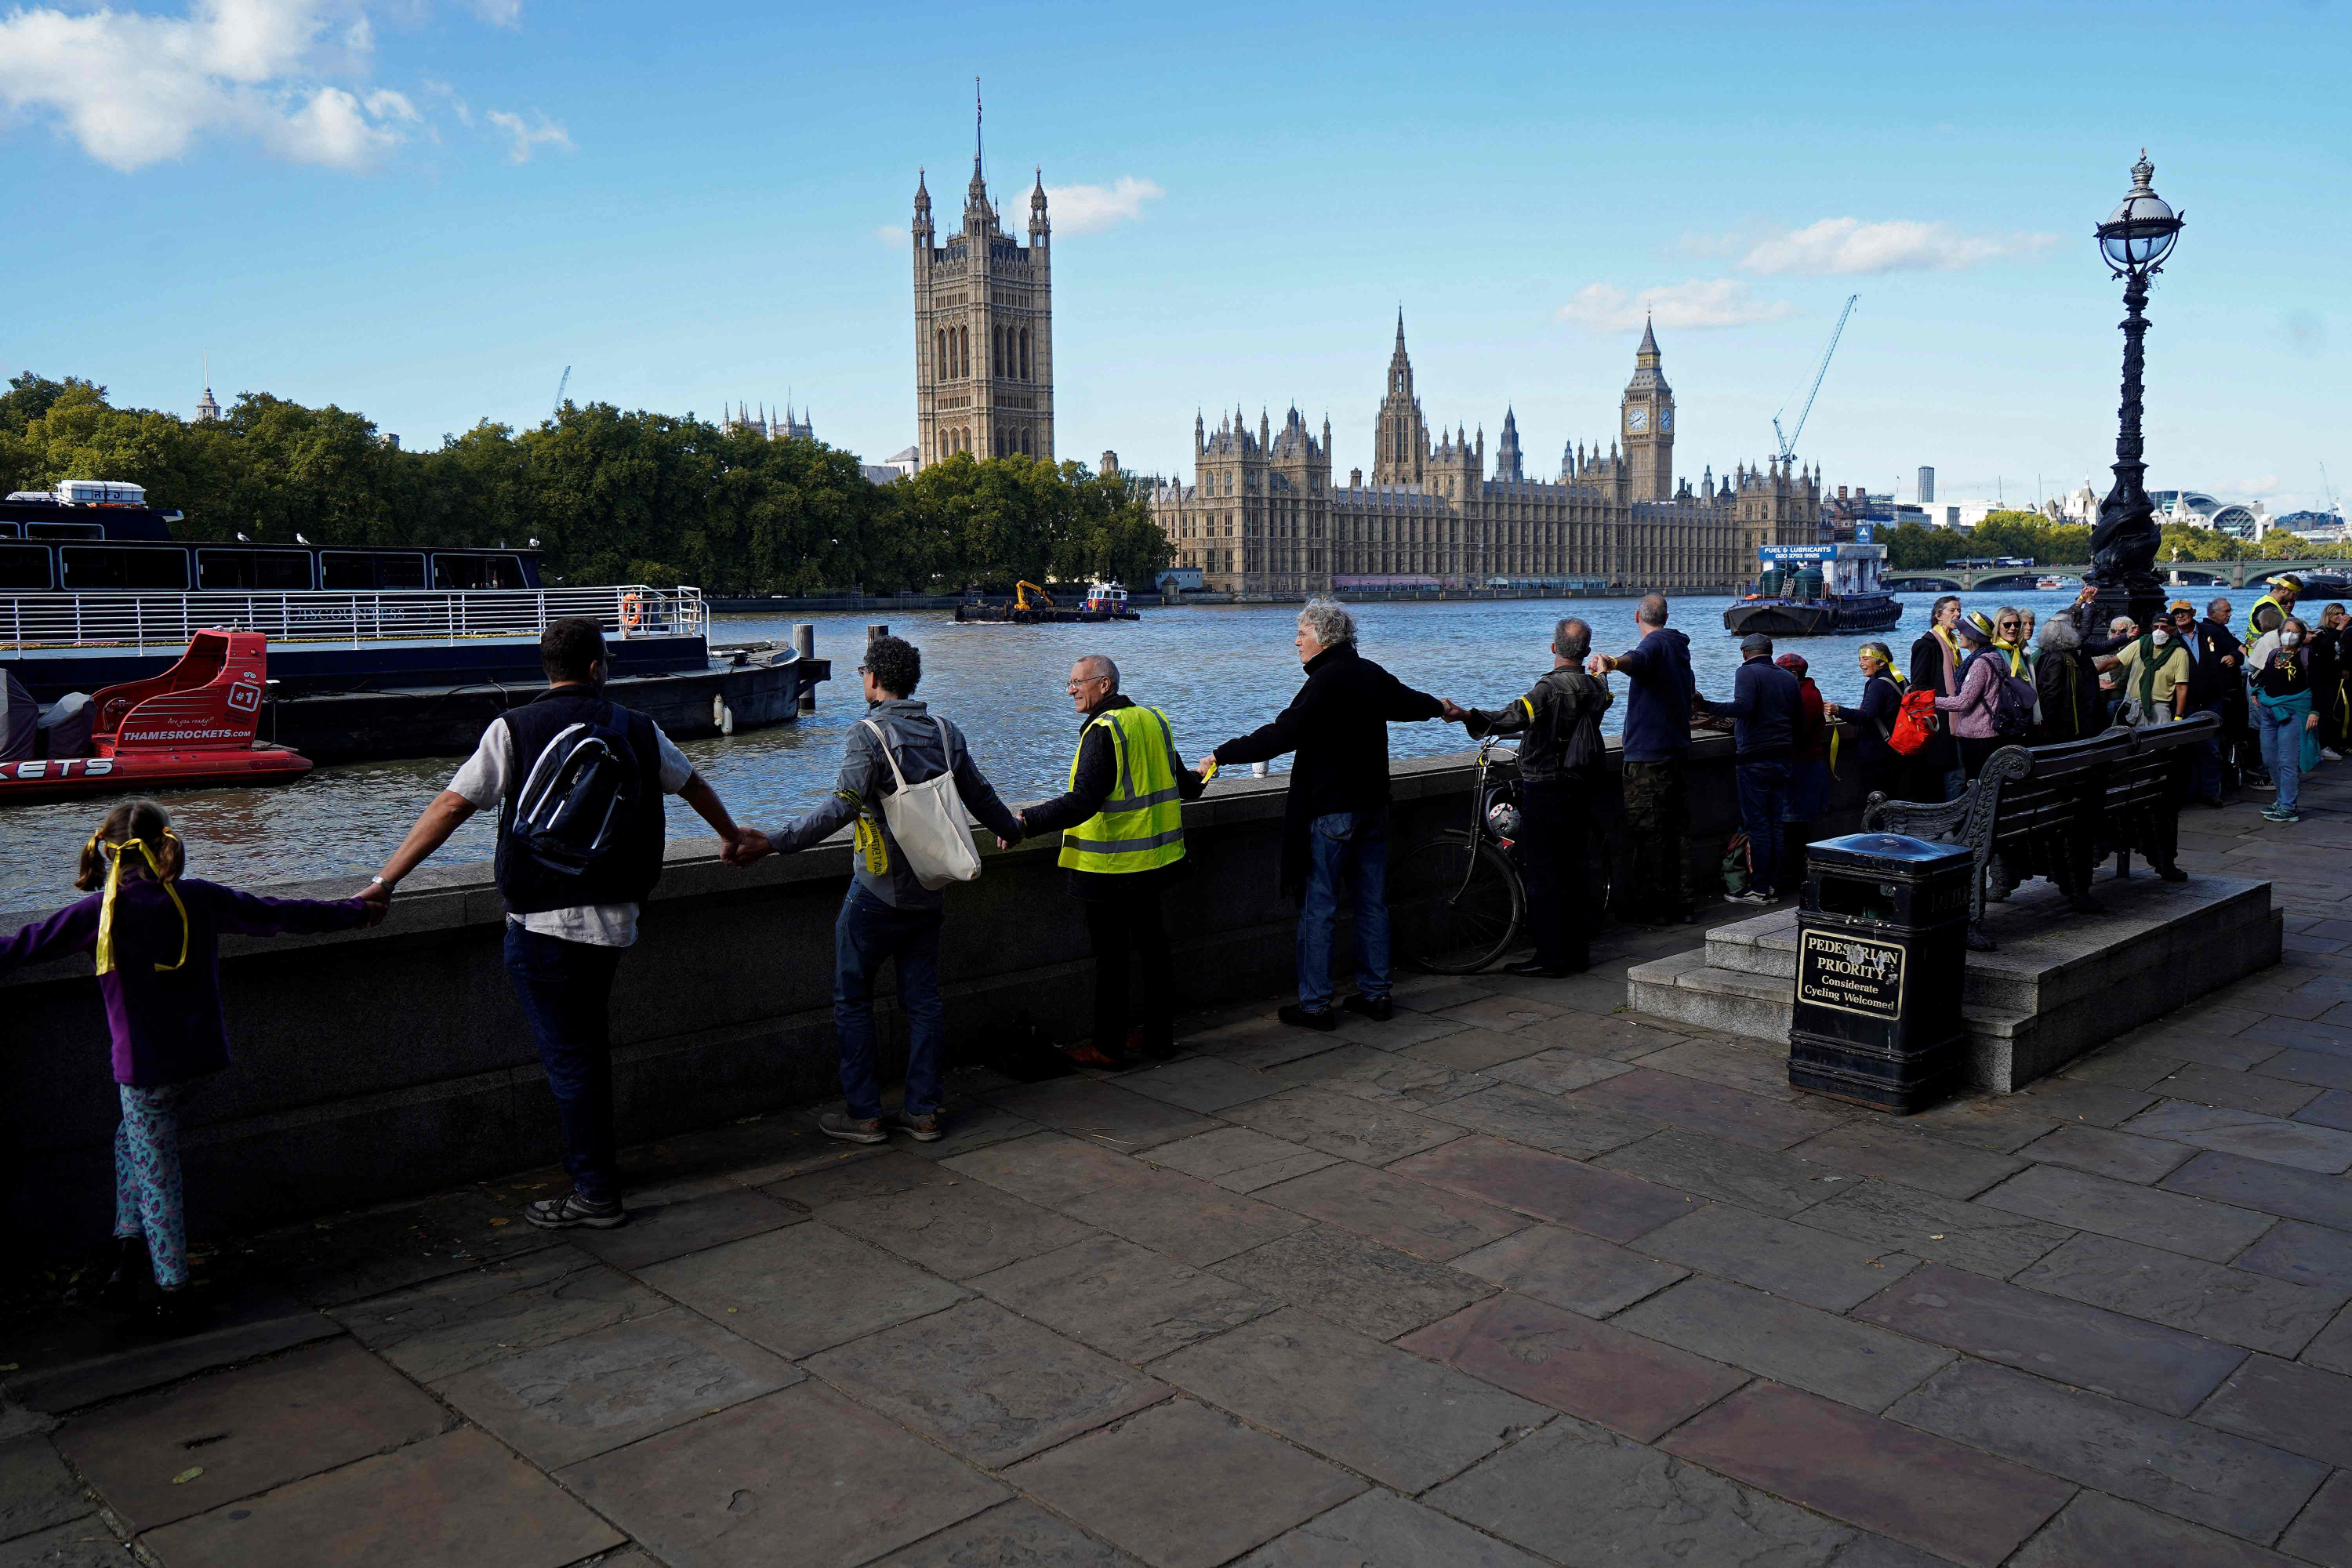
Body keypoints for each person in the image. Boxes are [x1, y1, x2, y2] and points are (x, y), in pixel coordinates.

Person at [365, 618, 758, 1225]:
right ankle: (594, 1168)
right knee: (586, 1050)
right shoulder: (638, 727)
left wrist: (386, 881)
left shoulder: (513, 728)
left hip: (541, 921)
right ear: (597, 667)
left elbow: (452, 806)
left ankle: (596, 1192)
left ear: (548, 667)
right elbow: (691, 784)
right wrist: (731, 836)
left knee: (572, 1059)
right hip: (616, 917)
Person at [1, 800, 380, 1327]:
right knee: (130, 1141)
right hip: (201, 1059)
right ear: (166, 844)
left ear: (107, 852)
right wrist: (357, 910)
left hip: (145, 1070)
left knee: (157, 1173)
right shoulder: (198, 897)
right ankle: (127, 1249)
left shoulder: (97, 914)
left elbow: (17, 948)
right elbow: (280, 913)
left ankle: (172, 1289)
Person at [750, 634, 1022, 1140]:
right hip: (930, 888)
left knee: (853, 999)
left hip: (876, 890)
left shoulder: (868, 734)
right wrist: (1012, 828)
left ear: (873, 679)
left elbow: (843, 806)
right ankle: (924, 1111)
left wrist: (774, 841)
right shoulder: (945, 732)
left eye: (863, 674)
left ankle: (865, 1114)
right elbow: (981, 797)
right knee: (923, 1002)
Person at [1196, 601, 1446, 1030]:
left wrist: (1221, 754)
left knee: (1319, 908)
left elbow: (1282, 735)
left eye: (1301, 633)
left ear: (1324, 639)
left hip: (1331, 810)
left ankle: (1315, 1006)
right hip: (1373, 805)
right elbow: (1409, 703)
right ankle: (1377, 994)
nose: (1296, 642)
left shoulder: (1325, 681)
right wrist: (1443, 708)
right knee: (1371, 903)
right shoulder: (1368, 672)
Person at [1016, 655, 1206, 1067]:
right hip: (1154, 863)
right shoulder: (1153, 719)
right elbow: (1186, 786)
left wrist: (1027, 822)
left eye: (1078, 682)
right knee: (1154, 952)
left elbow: (1083, 800)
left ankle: (1107, 1047)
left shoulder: (1103, 729)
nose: (1071, 690)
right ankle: (1159, 1038)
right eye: (1069, 683)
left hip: (1109, 868)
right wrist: (1204, 772)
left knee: (1112, 960)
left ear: (1104, 685)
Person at [1450, 617, 1613, 977]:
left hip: (1546, 789)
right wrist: (1601, 672)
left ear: (1553, 648)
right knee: (1574, 871)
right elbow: (1605, 695)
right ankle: (1576, 953)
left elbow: (1511, 718)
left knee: (1543, 874)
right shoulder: (1595, 688)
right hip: (1580, 787)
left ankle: (1551, 958)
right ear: (1585, 650)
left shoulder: (1548, 689)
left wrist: (1466, 715)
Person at [1587, 593, 1695, 924]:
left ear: (1637, 616)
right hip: (1676, 753)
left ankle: (1656, 909)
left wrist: (1610, 662)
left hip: (1649, 759)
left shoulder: (1656, 644)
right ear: (1667, 616)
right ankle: (1684, 904)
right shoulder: (1678, 648)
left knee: (1649, 835)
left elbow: (1637, 659)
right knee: (1678, 833)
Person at [1694, 632, 1799, 905]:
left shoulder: (1746, 672)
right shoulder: (1789, 678)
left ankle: (1759, 889)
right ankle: (1772, 885)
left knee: (1758, 826)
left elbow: (1743, 707)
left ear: (1745, 653)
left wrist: (1705, 705)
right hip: (1783, 757)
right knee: (1776, 824)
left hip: (1755, 758)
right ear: (1770, 651)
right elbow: (1796, 716)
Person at [2251, 617, 2321, 824]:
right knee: (2269, 759)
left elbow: (2319, 685)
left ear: (2302, 635)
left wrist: (2315, 711)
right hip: (2270, 712)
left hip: (2293, 713)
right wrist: (2257, 690)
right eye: (2286, 630)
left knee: (2287, 761)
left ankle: (2289, 807)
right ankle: (2281, 801)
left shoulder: (2308, 656)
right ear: (2280, 633)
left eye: (2295, 631)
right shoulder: (2274, 654)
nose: (2289, 635)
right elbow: (2266, 677)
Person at [1934, 611, 2013, 779]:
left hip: (1977, 736)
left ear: (1973, 636)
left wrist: (1930, 701)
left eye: (1963, 631)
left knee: (1976, 783)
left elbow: (1963, 702)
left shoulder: (1979, 664)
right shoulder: (1997, 657)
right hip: (1995, 732)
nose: (1959, 634)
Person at [1825, 641, 1907, 802]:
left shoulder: (1878, 684)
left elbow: (1867, 716)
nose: (1861, 664)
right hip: (1899, 747)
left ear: (1881, 662)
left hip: (1879, 752)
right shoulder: (1901, 679)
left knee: (1878, 800)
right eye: (1860, 659)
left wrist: (1838, 710)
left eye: (1865, 659)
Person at [1774, 652, 1829, 891]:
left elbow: (1796, 733)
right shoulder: (1811, 691)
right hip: (1810, 764)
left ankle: (1796, 877)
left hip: (1799, 766)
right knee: (1800, 825)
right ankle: (1799, 874)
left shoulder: (1802, 697)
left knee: (1793, 825)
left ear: (1793, 675)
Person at [1907, 594, 1967, 800]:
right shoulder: (1925, 644)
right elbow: (1919, 686)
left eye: (1959, 610)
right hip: (1937, 721)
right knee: (1948, 775)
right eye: (1952, 610)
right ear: (1938, 616)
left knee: (1956, 774)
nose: (1957, 614)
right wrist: (1947, 701)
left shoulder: (1953, 643)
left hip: (1953, 717)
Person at [2198, 598, 2259, 789]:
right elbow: (2239, 648)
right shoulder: (2211, 630)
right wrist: (2237, 654)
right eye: (2226, 611)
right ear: (2213, 613)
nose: (2230, 615)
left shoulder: (2217, 630)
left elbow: (2238, 649)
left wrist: (2235, 655)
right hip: (2225, 691)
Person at [2100, 615, 2191, 727]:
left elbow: (2181, 688)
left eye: (2163, 627)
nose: (2158, 631)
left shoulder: (2180, 654)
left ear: (2173, 630)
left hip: (2159, 709)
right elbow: (2112, 663)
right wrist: (2089, 673)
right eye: (2156, 627)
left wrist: (2178, 717)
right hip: (2131, 706)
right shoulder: (2139, 645)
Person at [2032, 613, 2100, 745]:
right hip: (2062, 719)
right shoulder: (2058, 658)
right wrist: (2048, 723)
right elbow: (2050, 693)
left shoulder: (2049, 654)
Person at [2311, 603, 2349, 761]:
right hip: (2323, 679)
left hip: (2335, 678)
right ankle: (2323, 746)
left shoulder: (2337, 632)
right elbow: (2325, 648)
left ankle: (2335, 743)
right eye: (2337, 614)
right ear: (2328, 616)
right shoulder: (2321, 633)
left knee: (2335, 712)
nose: (2340, 617)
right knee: (2325, 712)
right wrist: (2340, 628)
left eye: (2343, 613)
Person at [2246, 574, 2302, 648]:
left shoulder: (2265, 602)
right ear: (2284, 590)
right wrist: (2303, 639)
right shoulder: (2269, 608)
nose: (2294, 598)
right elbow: (2276, 637)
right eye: (2294, 595)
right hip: (2265, 652)